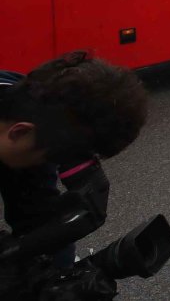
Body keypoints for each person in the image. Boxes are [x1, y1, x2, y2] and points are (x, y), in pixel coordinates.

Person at [0, 51, 148, 265]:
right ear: (20, 132)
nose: (47, 166)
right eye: (52, 158)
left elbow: (35, 220)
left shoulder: (31, 108)